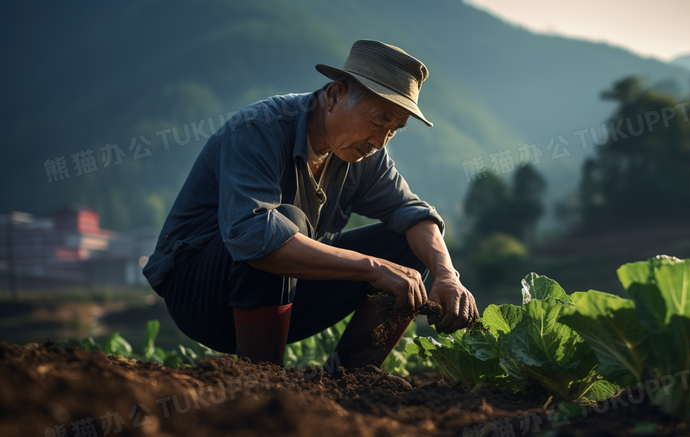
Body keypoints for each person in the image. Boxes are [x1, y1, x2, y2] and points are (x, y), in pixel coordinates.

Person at [142, 39, 479, 368]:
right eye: (378, 121)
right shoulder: (258, 129)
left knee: (404, 246)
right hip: (201, 297)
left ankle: (352, 378)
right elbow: (254, 236)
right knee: (284, 222)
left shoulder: (366, 155)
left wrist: (446, 275)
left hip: (285, 297)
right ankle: (264, 379)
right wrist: (374, 268)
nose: (379, 141)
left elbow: (413, 213)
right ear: (334, 95)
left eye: (394, 129)